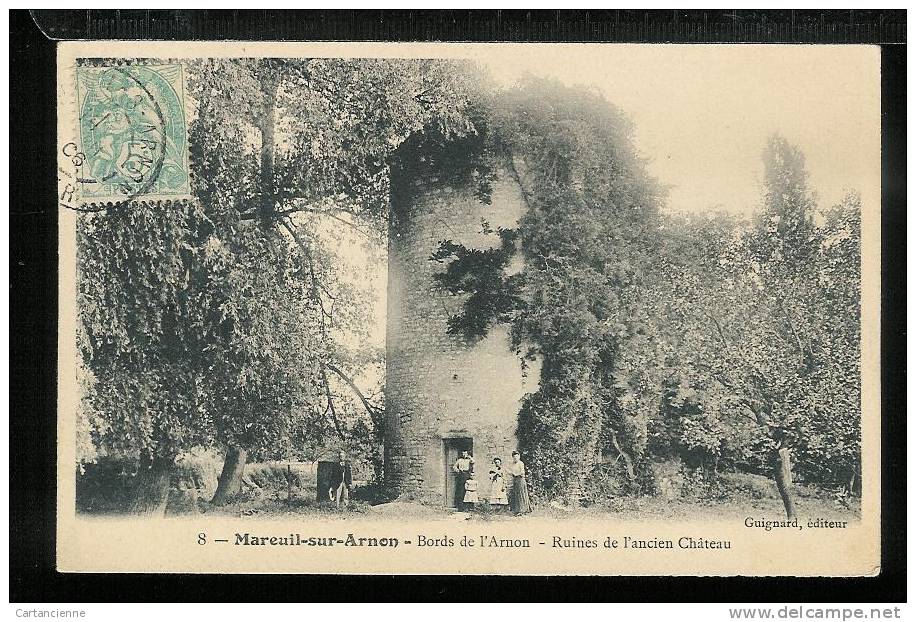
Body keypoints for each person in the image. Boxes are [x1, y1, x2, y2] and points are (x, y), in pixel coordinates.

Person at [509, 450, 532, 515]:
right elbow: (509, 471)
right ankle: (517, 510)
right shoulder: (512, 464)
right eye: (514, 457)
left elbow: (522, 472)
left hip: (520, 480)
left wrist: (516, 474)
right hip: (515, 480)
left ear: (519, 457)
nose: (515, 458)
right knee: (516, 494)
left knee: (521, 494)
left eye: (517, 457)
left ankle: (522, 510)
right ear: (513, 457)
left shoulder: (521, 463)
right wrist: (511, 473)